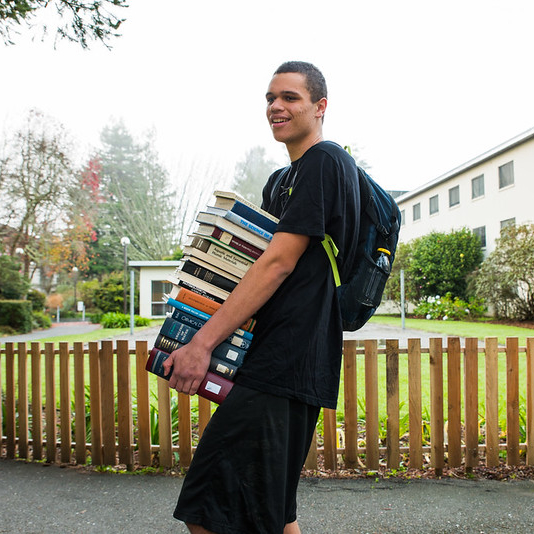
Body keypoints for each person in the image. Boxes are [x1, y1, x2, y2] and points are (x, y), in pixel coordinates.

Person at [163, 61, 361, 534]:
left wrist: (202, 345)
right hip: (273, 359)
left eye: (290, 97)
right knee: (273, 513)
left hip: (286, 362)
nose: (276, 106)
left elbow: (276, 263)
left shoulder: (326, 163)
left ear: (320, 106)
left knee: (206, 509)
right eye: (270, 98)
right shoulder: (281, 180)